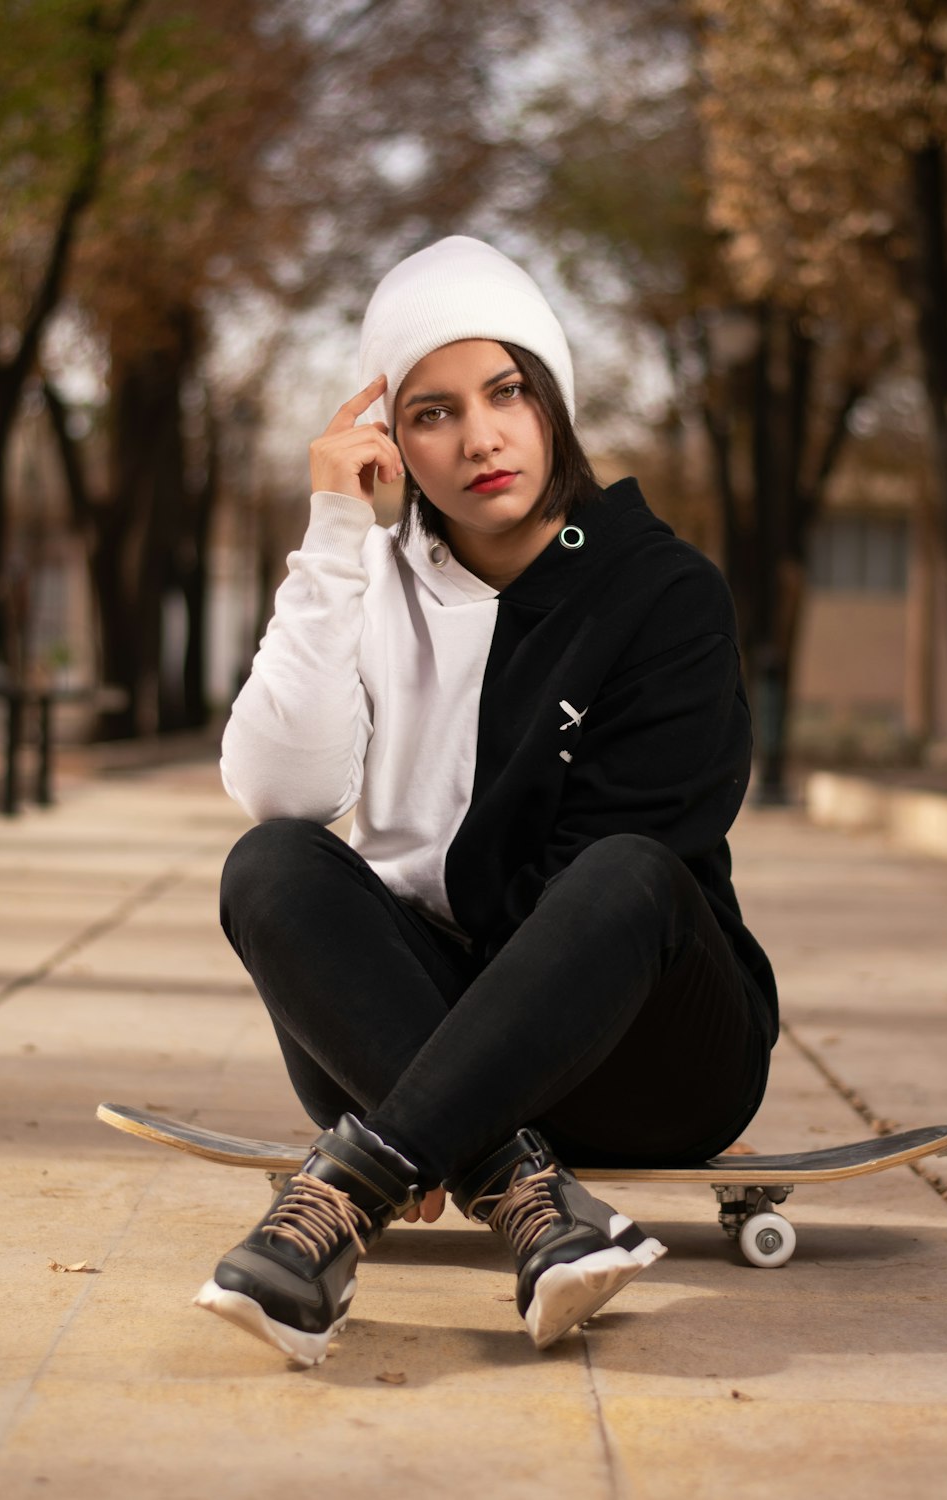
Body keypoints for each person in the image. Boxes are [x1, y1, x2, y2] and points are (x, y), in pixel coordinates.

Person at [195, 236, 778, 1368]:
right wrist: (330, 543)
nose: (480, 438)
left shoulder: (659, 594)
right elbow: (281, 787)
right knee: (267, 861)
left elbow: (622, 892)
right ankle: (529, 1200)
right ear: (391, 438)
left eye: (505, 391)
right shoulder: (370, 576)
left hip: (646, 1052)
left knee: (623, 869)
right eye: (432, 412)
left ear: (549, 400)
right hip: (405, 1045)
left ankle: (348, 1193)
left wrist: (425, 1098)